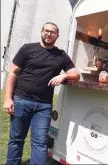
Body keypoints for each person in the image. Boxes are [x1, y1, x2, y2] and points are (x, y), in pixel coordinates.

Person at [3, 22, 80, 165]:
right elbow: (13, 73)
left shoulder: (61, 55)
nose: (48, 34)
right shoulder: (28, 49)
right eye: (46, 30)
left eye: (52, 32)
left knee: (40, 143)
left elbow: (75, 74)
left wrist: (64, 76)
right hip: (21, 101)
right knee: (16, 139)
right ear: (41, 31)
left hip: (43, 107)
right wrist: (8, 99)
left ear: (57, 35)